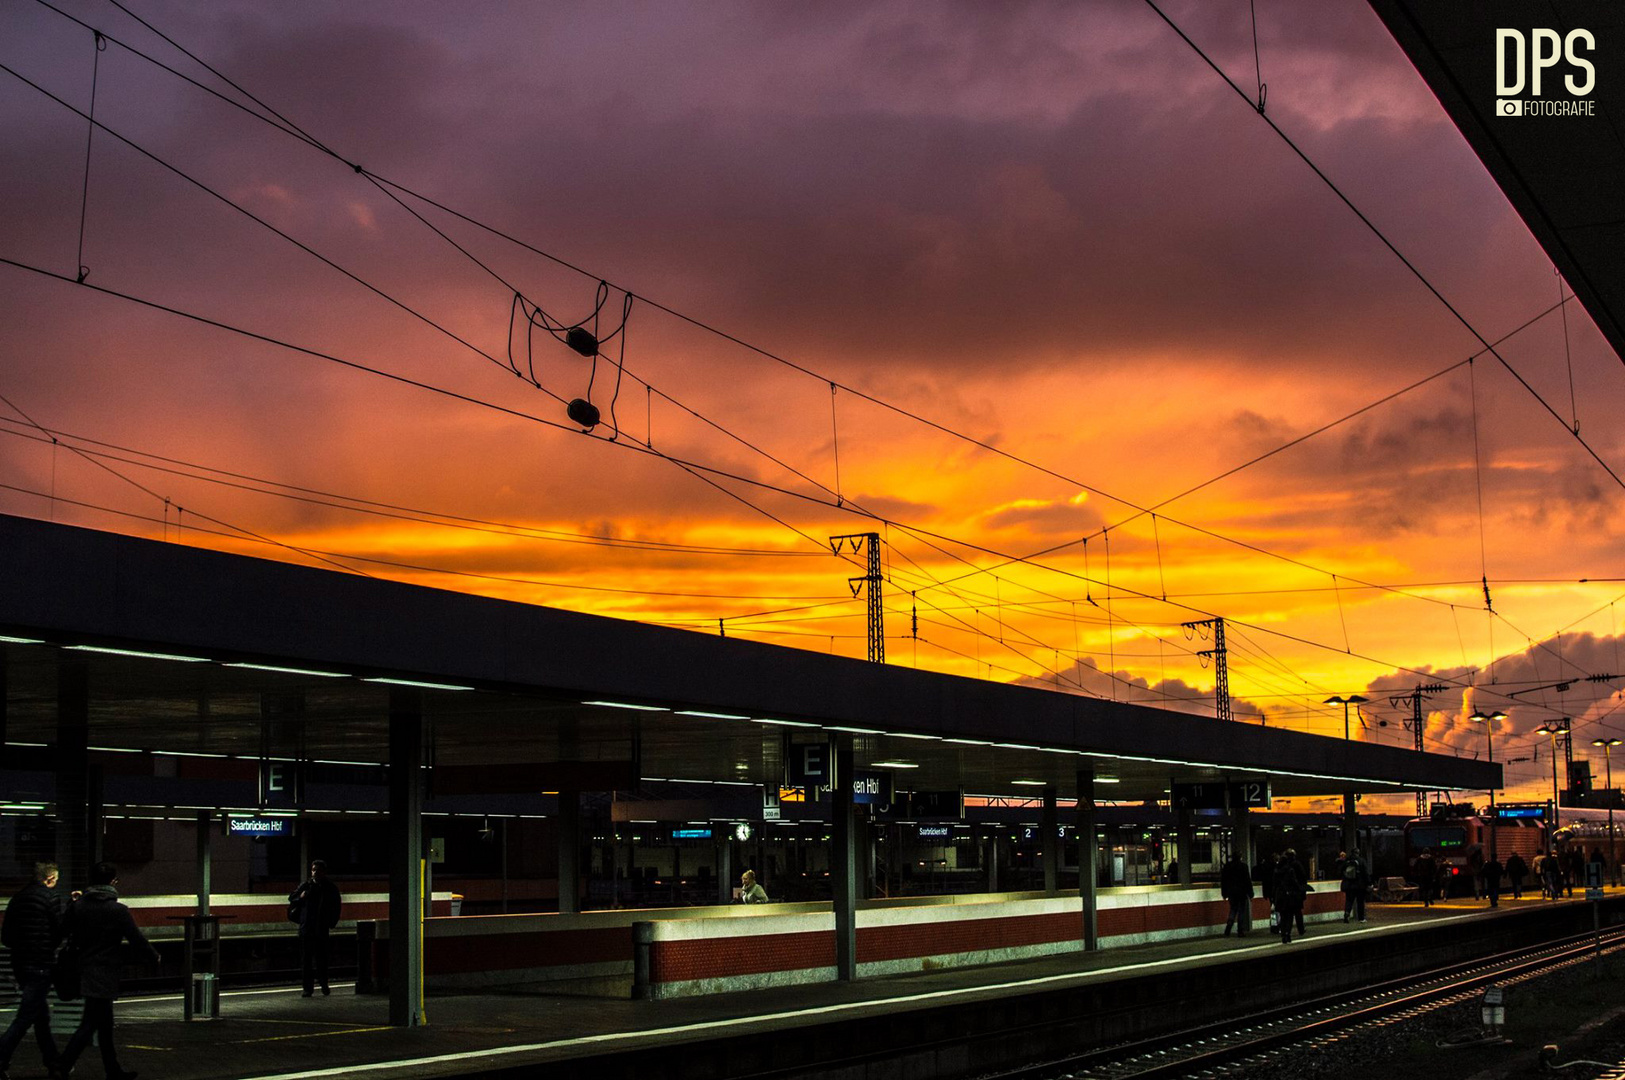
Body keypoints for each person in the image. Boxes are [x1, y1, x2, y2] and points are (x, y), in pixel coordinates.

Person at [56, 862, 158, 1080]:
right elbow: (136, 939)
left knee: (104, 1025)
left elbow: (62, 931)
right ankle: (62, 1065)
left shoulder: (79, 906)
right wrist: (154, 956)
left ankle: (112, 1069)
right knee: (90, 1024)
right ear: (112, 882)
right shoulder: (117, 910)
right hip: (105, 972)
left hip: (84, 969)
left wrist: (71, 903)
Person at [0, 863, 67, 1080]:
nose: (56, 883)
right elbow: (59, 932)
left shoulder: (17, 899)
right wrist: (47, 948)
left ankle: (53, 1063)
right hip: (40, 964)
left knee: (40, 1015)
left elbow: (6, 938)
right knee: (26, 1016)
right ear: (49, 879)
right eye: (56, 879)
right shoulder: (51, 897)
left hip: (19, 963)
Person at [289, 859, 343, 996]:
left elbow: (336, 906)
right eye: (313, 870)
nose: (315, 873)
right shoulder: (306, 886)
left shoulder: (330, 888)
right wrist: (301, 896)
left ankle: (323, 984)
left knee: (321, 959)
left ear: (324, 872)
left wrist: (331, 922)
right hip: (307, 928)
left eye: (318, 870)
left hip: (319, 927)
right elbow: (292, 898)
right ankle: (308, 988)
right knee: (307, 960)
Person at [1271, 849, 1306, 945]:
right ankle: (1288, 934)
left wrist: (1273, 896)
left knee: (1282, 916)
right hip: (1290, 896)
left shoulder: (1276, 871)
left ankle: (1283, 935)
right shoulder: (1290, 870)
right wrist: (1300, 890)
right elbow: (1295, 882)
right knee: (1290, 916)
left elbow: (1274, 884)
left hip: (1279, 895)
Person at [1220, 852, 1252, 937]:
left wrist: (1224, 893)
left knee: (1233, 909)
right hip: (1241, 892)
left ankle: (1229, 926)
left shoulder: (1227, 866)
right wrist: (1250, 893)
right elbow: (1247, 880)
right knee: (1241, 911)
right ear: (1240, 858)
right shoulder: (1244, 866)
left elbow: (1223, 881)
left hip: (1231, 892)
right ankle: (1240, 930)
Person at [1339, 849, 1369, 923]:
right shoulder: (1361, 861)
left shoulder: (1346, 861)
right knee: (1360, 902)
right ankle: (1361, 918)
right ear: (1358, 853)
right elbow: (1366, 873)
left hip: (1349, 885)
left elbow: (1340, 871)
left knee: (1349, 901)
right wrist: (1369, 883)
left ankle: (1347, 913)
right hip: (1360, 886)